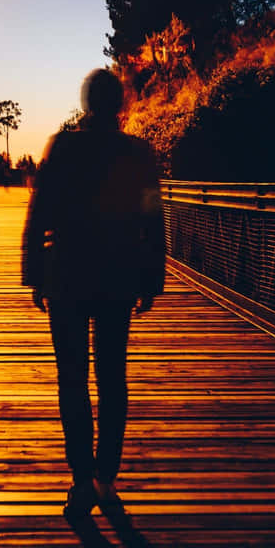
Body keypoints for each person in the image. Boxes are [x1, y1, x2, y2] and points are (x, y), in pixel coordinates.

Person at [21, 69, 165, 515]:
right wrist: (152, 278)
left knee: (72, 381)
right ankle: (106, 479)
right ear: (120, 104)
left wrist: (34, 274)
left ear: (85, 104)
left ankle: (81, 481)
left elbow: (38, 212)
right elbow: (152, 219)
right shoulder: (138, 153)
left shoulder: (62, 148)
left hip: (67, 277)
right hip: (118, 277)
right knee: (112, 379)